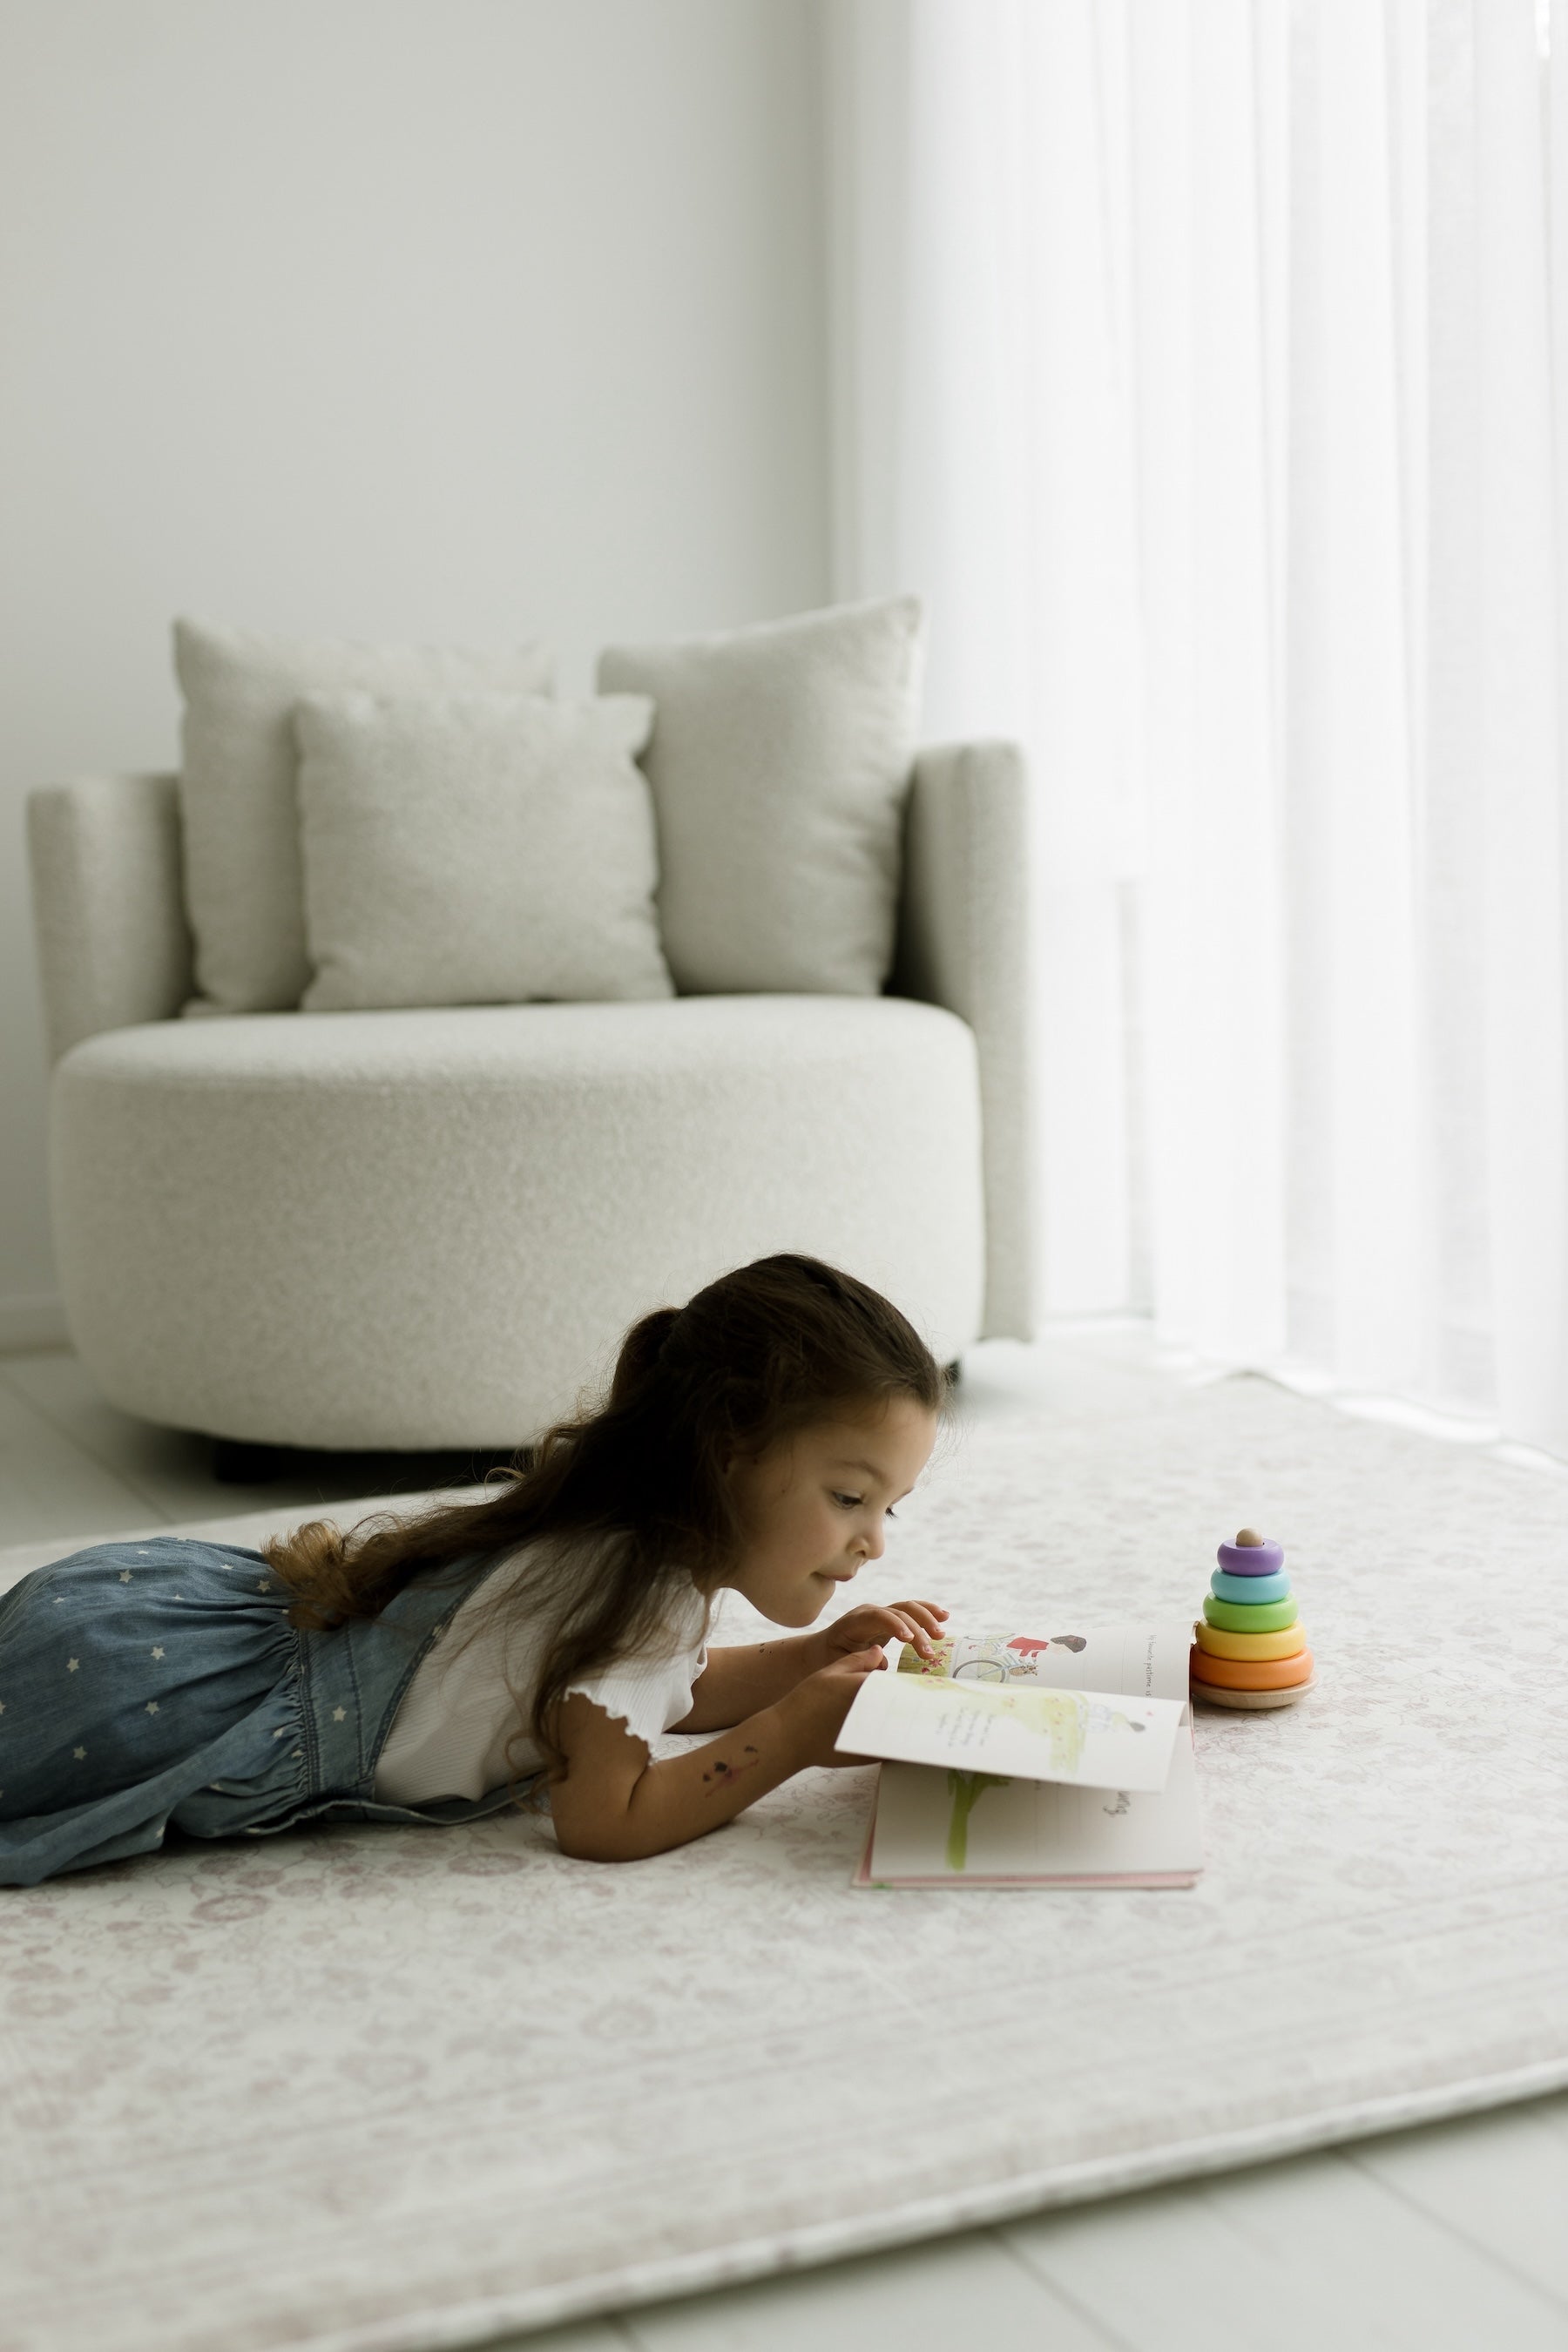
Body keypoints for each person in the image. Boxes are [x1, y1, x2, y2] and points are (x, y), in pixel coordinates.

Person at [0, 1255, 949, 1885]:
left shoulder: (637, 1540)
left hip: (143, 1624)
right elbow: (604, 1818)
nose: (874, 1543)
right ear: (729, 1451)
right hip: (148, 1693)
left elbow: (661, 1696)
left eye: (889, 1507)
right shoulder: (641, 1592)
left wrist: (812, 1657)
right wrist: (793, 1734)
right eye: (850, 1498)